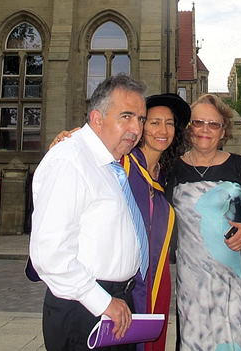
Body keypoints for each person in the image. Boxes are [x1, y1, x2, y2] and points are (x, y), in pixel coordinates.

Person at [50, 93, 191, 351]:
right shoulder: (119, 164)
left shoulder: (167, 177)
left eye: (169, 123)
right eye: (154, 122)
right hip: (112, 290)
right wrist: (70, 139)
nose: (163, 130)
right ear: (140, 128)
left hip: (154, 285)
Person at [29, 73, 148, 351]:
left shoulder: (109, 164)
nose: (136, 128)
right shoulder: (70, 160)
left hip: (113, 305)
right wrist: (102, 301)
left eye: (140, 119)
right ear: (97, 119)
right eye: (126, 117)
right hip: (85, 309)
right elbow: (50, 253)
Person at [167, 94, 241, 351]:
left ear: (224, 132)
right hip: (192, 281)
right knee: (194, 340)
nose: (205, 130)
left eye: (214, 124)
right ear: (189, 129)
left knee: (235, 340)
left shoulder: (240, 167)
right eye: (198, 123)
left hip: (236, 279)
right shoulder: (173, 169)